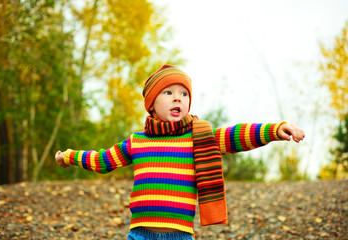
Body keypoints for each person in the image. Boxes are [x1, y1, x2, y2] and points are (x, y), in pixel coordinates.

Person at [55, 64, 305, 240]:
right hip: (140, 233)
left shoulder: (199, 137)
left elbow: (236, 135)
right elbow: (102, 160)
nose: (178, 99)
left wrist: (275, 129)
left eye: (184, 94)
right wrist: (68, 156)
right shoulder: (137, 141)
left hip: (180, 234)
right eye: (169, 93)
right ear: (151, 104)